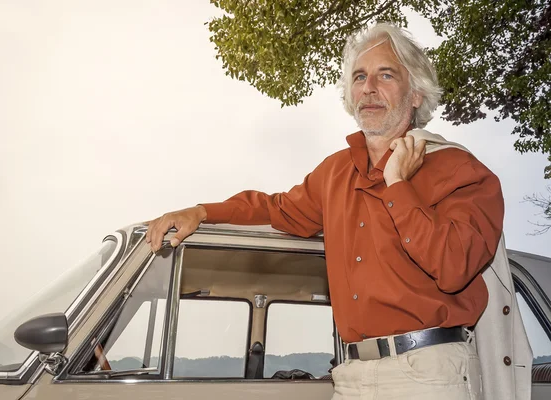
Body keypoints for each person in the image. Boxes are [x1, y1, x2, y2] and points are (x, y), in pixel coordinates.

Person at [146, 23, 506, 399]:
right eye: (359, 77)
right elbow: (276, 208)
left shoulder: (463, 172)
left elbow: (452, 268)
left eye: (385, 75)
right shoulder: (335, 172)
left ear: (415, 94)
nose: (368, 88)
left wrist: (397, 183)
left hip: (430, 375)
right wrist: (203, 211)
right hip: (351, 375)